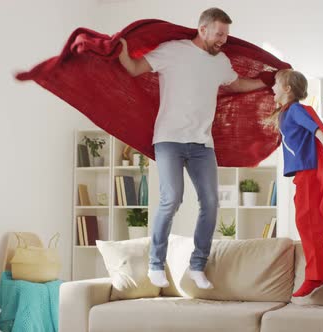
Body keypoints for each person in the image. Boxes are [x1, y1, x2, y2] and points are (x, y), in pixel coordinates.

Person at [118, 7, 275, 289]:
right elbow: (133, 68)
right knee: (172, 199)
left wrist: (266, 83)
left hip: (202, 143)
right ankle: (156, 264)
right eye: (219, 34)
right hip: (169, 139)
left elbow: (237, 84)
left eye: (226, 35)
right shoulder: (172, 51)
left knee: (211, 203)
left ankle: (197, 265)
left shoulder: (220, 62)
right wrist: (118, 49)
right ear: (202, 29)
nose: (223, 40)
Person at [268, 69, 323, 297]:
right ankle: (321, 271)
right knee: (305, 223)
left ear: (287, 89)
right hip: (302, 175)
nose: (272, 88)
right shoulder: (285, 112)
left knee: (306, 223)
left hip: (308, 173)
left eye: (276, 84)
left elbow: (315, 129)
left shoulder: (296, 110)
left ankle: (315, 276)